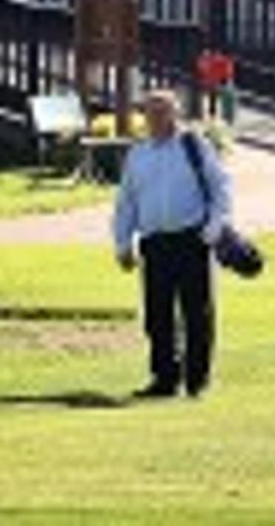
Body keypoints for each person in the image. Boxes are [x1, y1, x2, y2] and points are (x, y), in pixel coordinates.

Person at [112, 88, 231, 398]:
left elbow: (221, 189)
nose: (155, 118)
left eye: (162, 111)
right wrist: (123, 243)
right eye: (150, 112)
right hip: (154, 243)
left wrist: (213, 229)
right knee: (157, 315)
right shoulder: (138, 154)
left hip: (192, 238)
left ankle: (197, 380)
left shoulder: (194, 145)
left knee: (197, 314)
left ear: (175, 113)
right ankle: (164, 379)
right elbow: (126, 202)